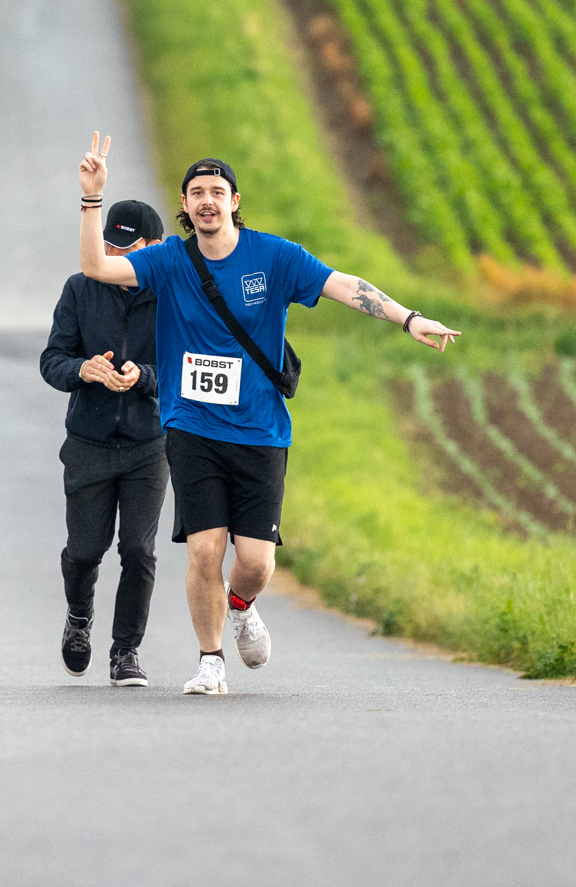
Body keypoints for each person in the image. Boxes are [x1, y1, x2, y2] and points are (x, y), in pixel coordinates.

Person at [75, 135, 459, 695]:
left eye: (217, 192)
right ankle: (210, 661)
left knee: (254, 562)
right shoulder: (168, 261)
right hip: (192, 425)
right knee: (205, 549)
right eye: (197, 193)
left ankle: (241, 604)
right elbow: (95, 266)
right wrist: (92, 198)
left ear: (234, 201)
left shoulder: (274, 257)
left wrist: (408, 318)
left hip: (260, 428)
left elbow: (344, 286)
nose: (207, 201)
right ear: (184, 205)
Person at [40, 197, 166, 686]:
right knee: (84, 551)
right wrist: (83, 369)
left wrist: (144, 377)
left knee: (138, 550)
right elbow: (52, 360)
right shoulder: (80, 288)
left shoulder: (173, 295)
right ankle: (79, 617)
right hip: (88, 442)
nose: (113, 255)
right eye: (108, 245)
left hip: (148, 443)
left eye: (126, 249)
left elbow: (187, 368)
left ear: (155, 248)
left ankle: (125, 651)